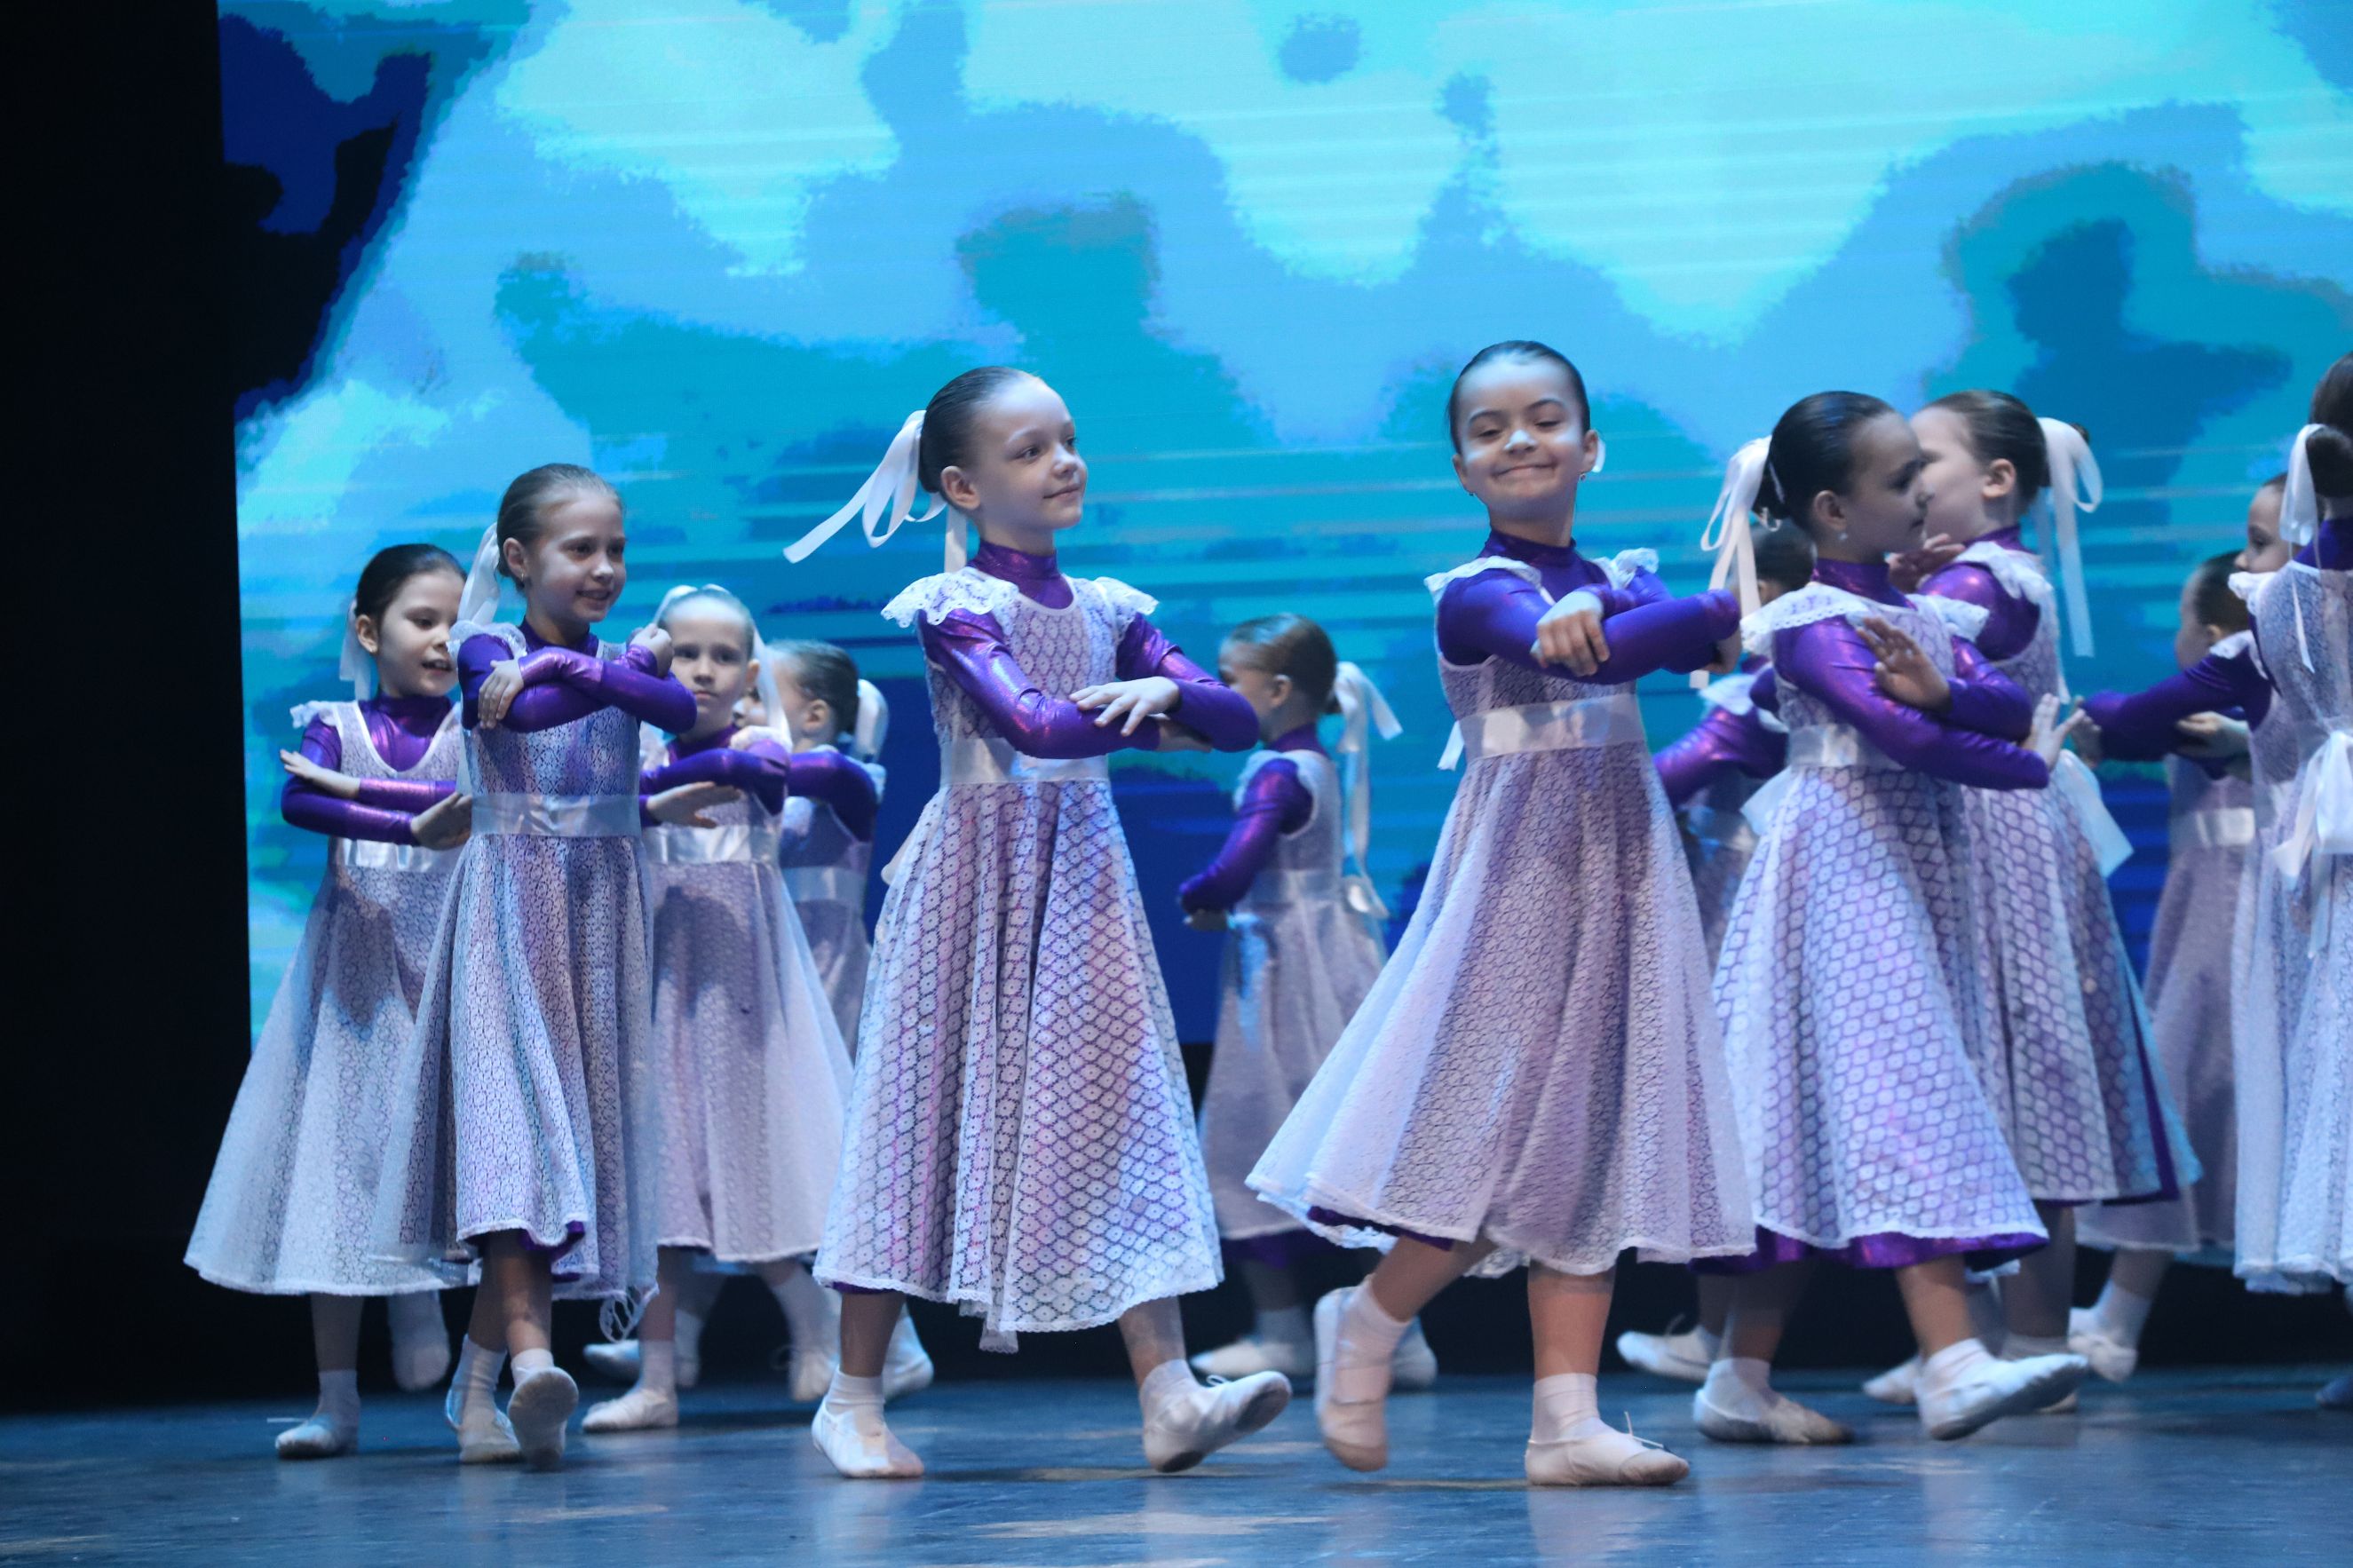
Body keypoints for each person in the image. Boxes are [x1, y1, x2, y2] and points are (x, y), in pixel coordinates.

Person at [1250, 341, 1754, 1486]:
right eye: (1488, 430)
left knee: (1593, 1132)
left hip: (1621, 867)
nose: (1519, 440)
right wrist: (1709, 608)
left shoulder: (1617, 575)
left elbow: (1669, 631)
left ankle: (1564, 1420)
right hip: (1523, 874)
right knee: (1498, 1132)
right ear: (1462, 469)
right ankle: (1370, 1316)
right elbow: (1603, 651)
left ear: (1590, 444)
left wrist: (1670, 611)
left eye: (1543, 418)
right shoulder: (1478, 588)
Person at [790, 368, 1295, 1477]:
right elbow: (1030, 722)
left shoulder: (1111, 608)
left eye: (1066, 439)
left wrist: (1173, 693)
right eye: (1028, 450)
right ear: (964, 486)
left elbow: (1230, 718)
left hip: (1082, 882)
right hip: (975, 878)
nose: (1062, 462)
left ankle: (1169, 1390)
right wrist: (1147, 714)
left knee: (1123, 1112)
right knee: (917, 1120)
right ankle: (851, 1395)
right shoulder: (955, 606)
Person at [1698, 394, 2089, 1445]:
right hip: (1842, 870)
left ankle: (1738, 1373)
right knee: (1912, 1092)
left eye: (1923, 467)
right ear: (1833, 509)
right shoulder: (1809, 622)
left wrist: (1948, 692)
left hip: (1914, 872)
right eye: (1899, 477)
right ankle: (1951, 1357)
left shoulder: (1923, 612)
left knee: (1814, 1127)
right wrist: (2022, 765)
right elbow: (1902, 736)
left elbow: (1997, 699)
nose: (1922, 489)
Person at [371, 464, 700, 1469]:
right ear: (518, 559)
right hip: (510, 917)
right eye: (579, 549)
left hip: (598, 925)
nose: (604, 568)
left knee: (564, 1161)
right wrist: (580, 675)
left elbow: (677, 710)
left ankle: (475, 1396)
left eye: (616, 550)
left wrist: (585, 668)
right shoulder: (485, 645)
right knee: (514, 1145)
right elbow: (515, 713)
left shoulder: (625, 657)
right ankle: (532, 1364)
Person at [186, 544, 474, 1458]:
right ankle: (336, 1398)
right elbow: (300, 802)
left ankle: (460, 1357)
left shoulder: (476, 727)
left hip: (449, 966)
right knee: (339, 1170)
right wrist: (406, 820)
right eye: (423, 620)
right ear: (368, 629)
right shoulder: (337, 723)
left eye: (458, 622)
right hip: (354, 978)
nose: (444, 639)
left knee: (453, 1161)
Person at [1175, 616, 1432, 1388]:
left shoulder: (1278, 775)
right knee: (1334, 1141)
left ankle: (1299, 1330)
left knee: (1250, 1137)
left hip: (1285, 974)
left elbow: (1234, 868)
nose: (1216, 690)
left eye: (1229, 679)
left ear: (1279, 690)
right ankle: (1391, 1335)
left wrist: (1197, 896)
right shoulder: (1314, 764)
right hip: (1323, 963)